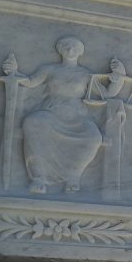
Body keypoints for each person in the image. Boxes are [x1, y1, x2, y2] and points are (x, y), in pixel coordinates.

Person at [19, 37, 103, 194]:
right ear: (60, 50)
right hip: (51, 112)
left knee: (94, 137)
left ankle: (74, 176)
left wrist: (118, 78)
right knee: (33, 122)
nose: (70, 50)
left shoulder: (86, 74)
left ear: (80, 52)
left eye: (74, 47)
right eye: (66, 46)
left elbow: (106, 94)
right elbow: (30, 82)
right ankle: (39, 177)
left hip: (76, 116)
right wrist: (13, 71)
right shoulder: (49, 69)